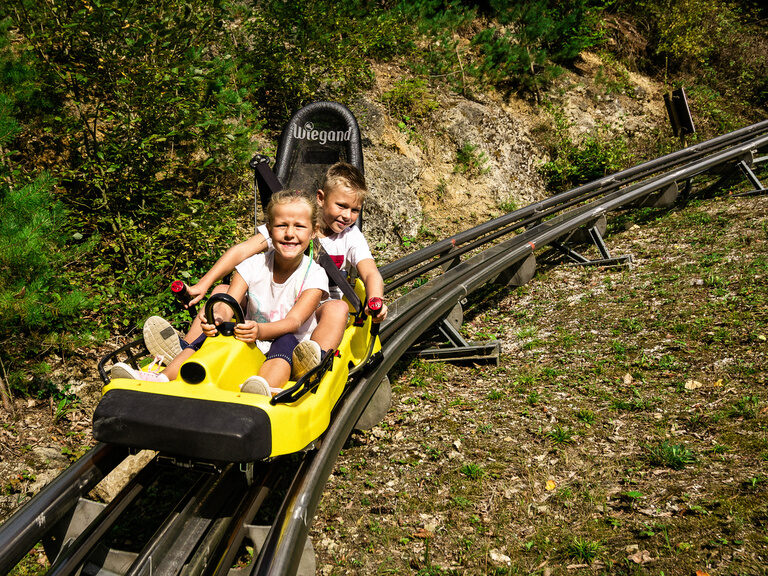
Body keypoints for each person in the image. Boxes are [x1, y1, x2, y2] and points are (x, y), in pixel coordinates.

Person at [142, 162, 388, 379]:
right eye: (341, 206)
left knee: (338, 308)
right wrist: (203, 284)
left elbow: (370, 273)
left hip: (314, 308)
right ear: (321, 198)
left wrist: (375, 300)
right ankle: (187, 347)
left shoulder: (350, 237)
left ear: (310, 232)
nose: (347, 216)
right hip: (271, 301)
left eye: (355, 210)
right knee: (222, 291)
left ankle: (312, 361)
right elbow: (241, 252)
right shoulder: (288, 226)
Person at [110, 190, 329, 396]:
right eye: (282, 226)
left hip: (285, 341)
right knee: (213, 333)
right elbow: (229, 302)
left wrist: (260, 330)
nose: (290, 234)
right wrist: (217, 318)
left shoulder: (315, 275)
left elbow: (293, 322)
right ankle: (163, 378)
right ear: (269, 230)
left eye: (299, 226)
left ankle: (261, 388)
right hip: (250, 336)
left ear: (313, 232)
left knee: (285, 341)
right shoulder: (252, 265)